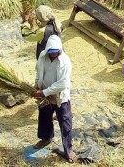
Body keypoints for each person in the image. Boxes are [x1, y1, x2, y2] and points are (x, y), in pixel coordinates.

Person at [33, 35, 76, 163]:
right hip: (44, 94)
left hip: (59, 96)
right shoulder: (42, 56)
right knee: (44, 117)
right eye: (51, 53)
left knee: (65, 121)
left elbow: (63, 84)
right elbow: (38, 70)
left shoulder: (65, 61)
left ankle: (68, 150)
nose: (53, 55)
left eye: (55, 53)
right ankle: (46, 138)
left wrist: (44, 92)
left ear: (60, 50)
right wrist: (36, 85)